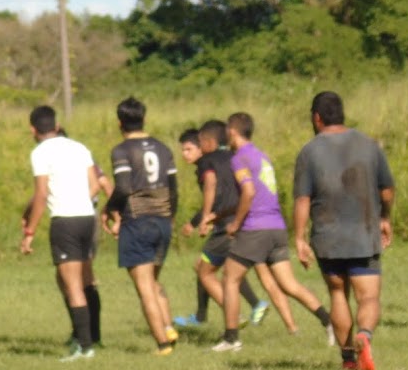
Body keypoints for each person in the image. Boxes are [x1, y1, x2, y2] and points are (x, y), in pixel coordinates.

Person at [293, 92, 395, 370]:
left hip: (327, 236)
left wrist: (299, 238)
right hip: (363, 231)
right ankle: (365, 335)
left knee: (338, 294)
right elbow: (386, 189)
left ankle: (349, 359)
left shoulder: (309, 151)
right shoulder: (368, 144)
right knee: (369, 297)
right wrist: (385, 217)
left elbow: (302, 199)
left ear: (317, 117)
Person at [214, 112, 333, 351]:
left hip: (255, 229)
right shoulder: (261, 156)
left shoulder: (239, 158)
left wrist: (236, 224)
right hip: (276, 228)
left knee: (229, 278)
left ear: (233, 132)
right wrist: (218, 215)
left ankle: (231, 339)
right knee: (289, 285)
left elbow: (248, 192)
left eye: (227, 130)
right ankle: (330, 322)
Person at [20, 106, 105, 361]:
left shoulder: (40, 153)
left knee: (72, 284)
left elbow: (41, 194)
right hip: (87, 218)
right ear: (56, 125)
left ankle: (84, 346)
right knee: (83, 279)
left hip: (65, 221)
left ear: (33, 130)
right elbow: (95, 184)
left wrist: (29, 232)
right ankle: (92, 336)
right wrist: (80, 200)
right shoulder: (79, 147)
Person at [102, 96, 179, 355]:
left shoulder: (122, 151)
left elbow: (123, 187)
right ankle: (168, 327)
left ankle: (163, 344)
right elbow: (174, 189)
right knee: (154, 281)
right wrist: (171, 217)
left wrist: (109, 207)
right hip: (163, 221)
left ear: (119, 122)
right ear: (144, 118)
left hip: (138, 222)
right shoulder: (163, 148)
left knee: (144, 287)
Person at [172, 122, 269, 330]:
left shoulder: (207, 165)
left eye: (189, 149)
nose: (185, 154)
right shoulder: (231, 157)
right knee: (216, 267)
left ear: (204, 145)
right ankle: (203, 315)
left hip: (227, 224)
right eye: (183, 150)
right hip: (241, 220)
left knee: (206, 269)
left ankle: (232, 315)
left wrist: (202, 219)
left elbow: (213, 192)